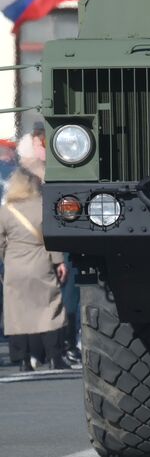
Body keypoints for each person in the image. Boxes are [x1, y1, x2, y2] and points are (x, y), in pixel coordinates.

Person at [0, 135, 71, 371]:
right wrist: (59, 261)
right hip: (40, 261)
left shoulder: (6, 211)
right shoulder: (42, 208)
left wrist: (6, 260)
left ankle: (22, 360)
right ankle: (54, 356)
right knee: (49, 308)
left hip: (15, 264)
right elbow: (51, 238)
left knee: (18, 313)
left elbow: (0, 242)